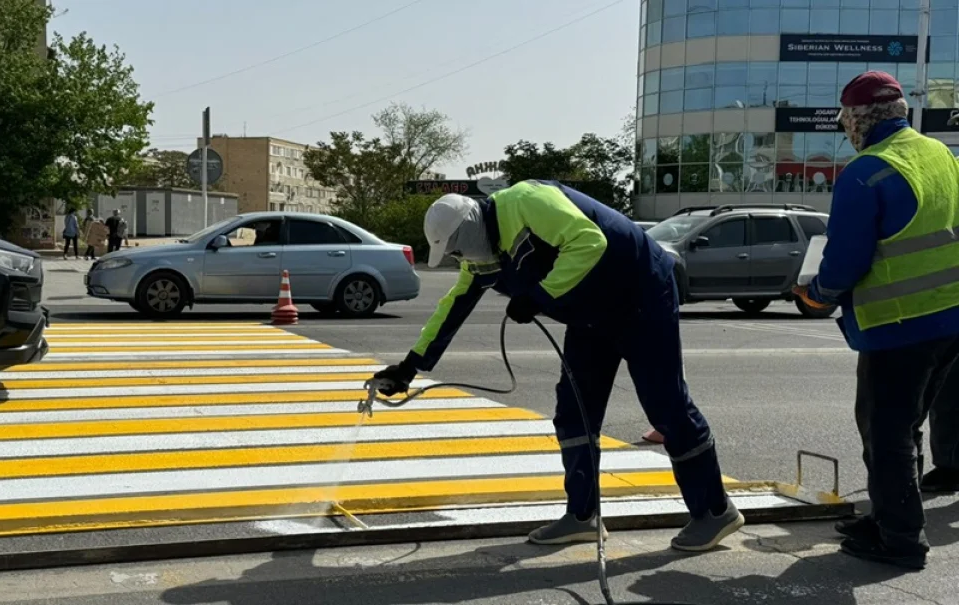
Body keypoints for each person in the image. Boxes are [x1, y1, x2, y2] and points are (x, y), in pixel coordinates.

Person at [370, 181, 744, 552]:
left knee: (665, 403)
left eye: (456, 249)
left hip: (640, 291)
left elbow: (588, 241)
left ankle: (714, 511)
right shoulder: (481, 252)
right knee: (574, 411)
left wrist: (539, 296)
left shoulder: (528, 201)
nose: (458, 257)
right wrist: (409, 367)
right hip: (591, 312)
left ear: (470, 229)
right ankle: (582, 517)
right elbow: (454, 304)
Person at [794, 71, 959, 570]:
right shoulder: (941, 156)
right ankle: (887, 513)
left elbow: (845, 262)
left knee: (886, 431)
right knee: (903, 426)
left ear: (860, 118)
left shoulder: (866, 173)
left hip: (900, 326)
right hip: (950, 320)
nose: (846, 127)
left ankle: (902, 540)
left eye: (846, 118)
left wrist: (815, 294)